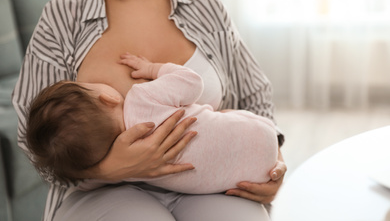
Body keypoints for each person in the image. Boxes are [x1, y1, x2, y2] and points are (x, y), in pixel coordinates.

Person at [12, 0, 287, 220]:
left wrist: (275, 163)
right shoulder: (62, 16)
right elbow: (32, 132)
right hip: (101, 191)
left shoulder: (207, 10)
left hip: (209, 182)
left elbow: (255, 97)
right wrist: (106, 169)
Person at [26, 53, 279, 194]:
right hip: (262, 147)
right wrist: (154, 68)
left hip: (242, 180)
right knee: (222, 116)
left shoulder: (128, 166)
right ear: (109, 97)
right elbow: (192, 82)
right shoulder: (141, 96)